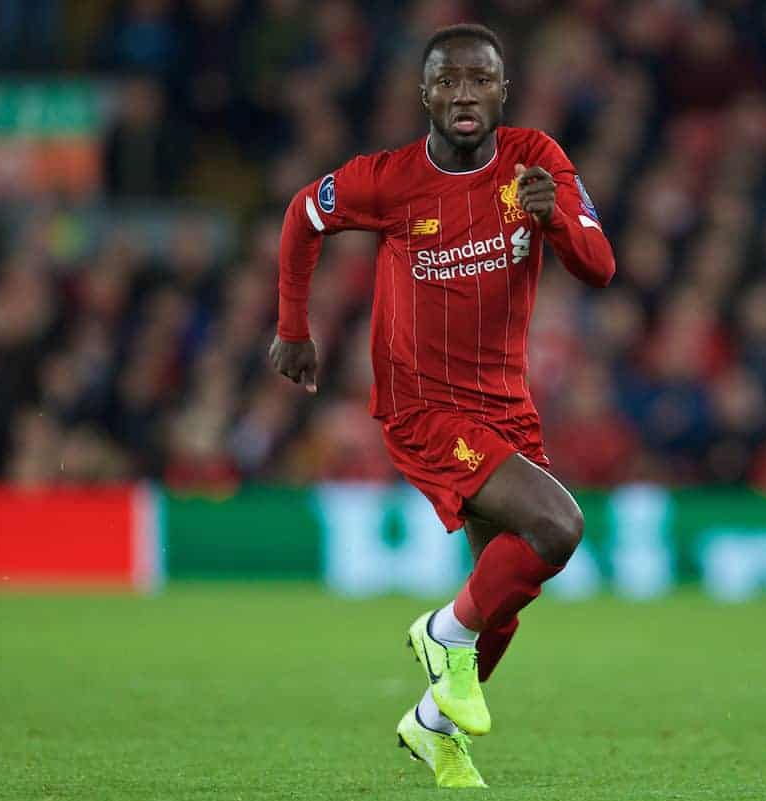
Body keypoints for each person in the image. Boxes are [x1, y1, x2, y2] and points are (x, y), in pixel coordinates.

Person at [269, 23, 615, 788]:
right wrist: (295, 326)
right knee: (558, 525)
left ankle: (432, 725)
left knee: (506, 595)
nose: (464, 93)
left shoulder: (538, 160)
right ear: (424, 93)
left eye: (479, 80)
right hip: (423, 406)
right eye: (448, 81)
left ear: (503, 91)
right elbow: (302, 214)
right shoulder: (387, 179)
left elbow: (600, 267)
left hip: (505, 404)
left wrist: (554, 213)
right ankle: (441, 631)